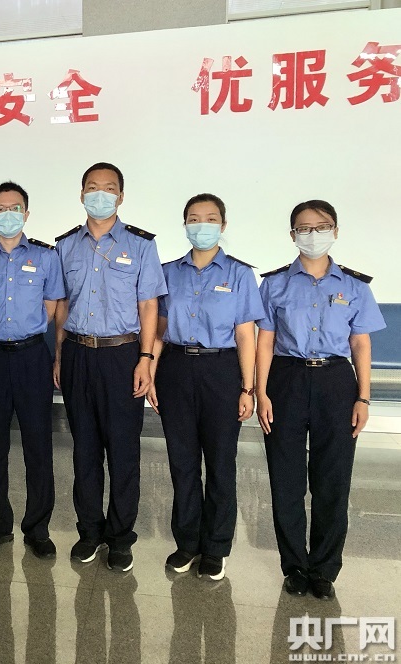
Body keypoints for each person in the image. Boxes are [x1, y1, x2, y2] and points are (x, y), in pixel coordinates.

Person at [256, 200, 385, 599]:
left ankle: (325, 569)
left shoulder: (355, 286)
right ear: (292, 235)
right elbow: (265, 342)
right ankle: (295, 566)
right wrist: (261, 392)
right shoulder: (274, 284)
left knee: (333, 480)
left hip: (336, 381)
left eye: (322, 226)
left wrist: (363, 398)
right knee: (286, 479)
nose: (313, 235)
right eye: (304, 228)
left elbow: (360, 344)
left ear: (335, 231)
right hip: (287, 379)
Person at [53, 162, 167, 571]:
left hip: (123, 356)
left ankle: (120, 538)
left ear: (120, 196)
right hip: (78, 353)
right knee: (84, 450)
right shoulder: (65, 246)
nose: (99, 194)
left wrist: (146, 359)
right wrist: (60, 356)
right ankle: (89, 532)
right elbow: (62, 305)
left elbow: (149, 305)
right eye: (92, 187)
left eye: (108, 187)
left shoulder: (141, 246)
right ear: (81, 194)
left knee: (123, 451)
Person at [146, 193, 264, 581]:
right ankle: (187, 543)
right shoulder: (168, 272)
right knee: (181, 462)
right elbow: (159, 331)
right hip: (176, 368)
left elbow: (246, 335)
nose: (202, 225)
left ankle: (215, 547)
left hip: (221, 370)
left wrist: (248, 388)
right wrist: (152, 373)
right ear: (185, 225)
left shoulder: (240, 274)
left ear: (223, 225)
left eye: (211, 219)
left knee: (220, 462)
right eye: (194, 219)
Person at [0, 182, 65, 559]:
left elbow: (53, 309)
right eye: (0, 208)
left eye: (15, 208)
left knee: (38, 445)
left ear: (26, 214)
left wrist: (56, 356)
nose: (7, 214)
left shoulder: (46, 256)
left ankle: (38, 528)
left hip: (32, 357)